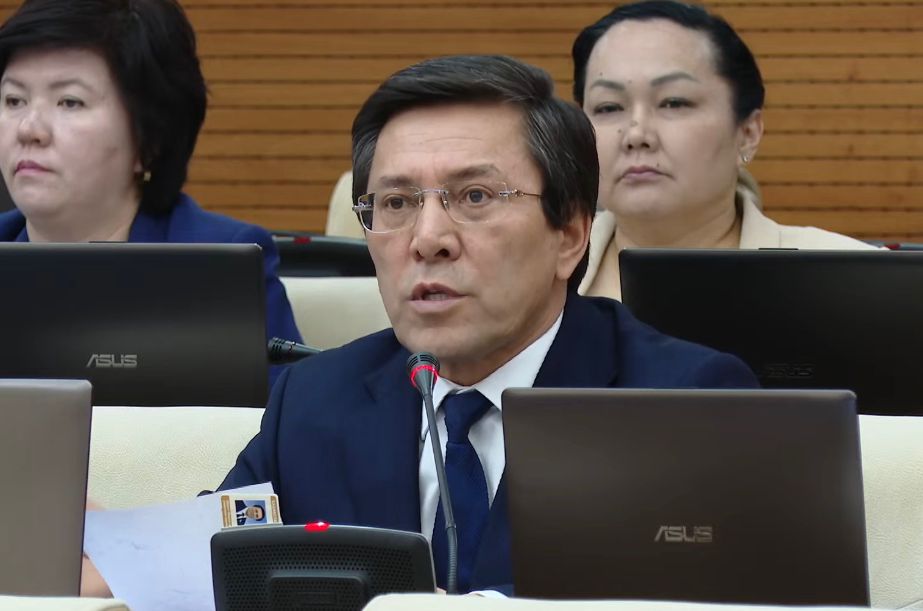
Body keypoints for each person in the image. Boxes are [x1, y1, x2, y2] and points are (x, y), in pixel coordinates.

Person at [218, 54, 758, 595]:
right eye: (397, 202)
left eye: (475, 196)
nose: (428, 239)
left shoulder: (687, 406)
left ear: (570, 235)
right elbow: (200, 572)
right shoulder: (313, 402)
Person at [0, 0, 302, 382]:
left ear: (149, 140)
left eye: (70, 102)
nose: (29, 129)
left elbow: (289, 414)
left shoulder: (219, 266)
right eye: (14, 100)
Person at [571, 0, 878, 299]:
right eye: (608, 107)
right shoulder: (546, 275)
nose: (637, 135)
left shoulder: (858, 282)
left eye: (674, 102)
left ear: (747, 133)